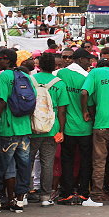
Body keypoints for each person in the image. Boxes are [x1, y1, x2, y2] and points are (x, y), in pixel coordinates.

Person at [0, 48, 34, 213]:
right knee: (24, 166)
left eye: (0, 59)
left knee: (0, 166)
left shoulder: (4, 76)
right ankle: (19, 200)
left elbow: (2, 101)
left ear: (7, 60)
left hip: (7, 130)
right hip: (24, 129)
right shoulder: (25, 76)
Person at [80, 59, 109, 206]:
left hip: (101, 124)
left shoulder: (95, 73)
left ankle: (96, 197)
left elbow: (84, 92)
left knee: (99, 162)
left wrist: (85, 111)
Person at [56, 48, 95, 205]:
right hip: (85, 127)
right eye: (87, 59)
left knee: (67, 161)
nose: (89, 62)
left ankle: (67, 193)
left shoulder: (61, 74)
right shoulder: (87, 77)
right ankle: (84, 193)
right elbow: (90, 102)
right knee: (85, 161)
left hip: (67, 127)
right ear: (80, 60)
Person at [30, 53, 68, 207]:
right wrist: (61, 130)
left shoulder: (31, 80)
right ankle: (45, 196)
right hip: (52, 128)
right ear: (54, 66)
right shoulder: (60, 84)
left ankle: (23, 194)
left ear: (38, 65)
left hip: (32, 127)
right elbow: (62, 110)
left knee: (28, 161)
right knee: (47, 163)